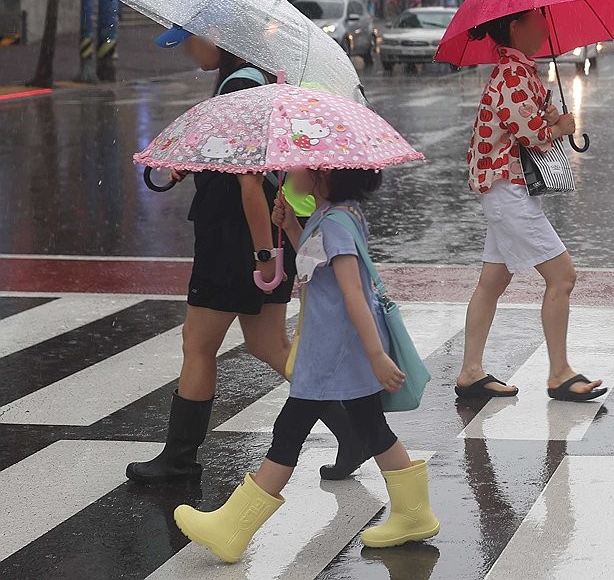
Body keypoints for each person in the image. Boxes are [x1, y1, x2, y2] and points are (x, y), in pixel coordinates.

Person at [126, 25, 368, 485]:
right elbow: (245, 163)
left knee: (197, 346)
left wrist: (261, 255)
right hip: (259, 241)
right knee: (268, 345)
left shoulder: (237, 89)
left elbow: (249, 182)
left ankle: (178, 461)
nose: (188, 50)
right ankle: (356, 431)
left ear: (218, 40)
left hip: (233, 243)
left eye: (191, 40)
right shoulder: (258, 80)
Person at [173, 168, 438, 563]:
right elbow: (317, 265)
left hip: (330, 355)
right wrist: (293, 227)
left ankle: (232, 528)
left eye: (297, 166)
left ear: (322, 175)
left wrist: (376, 356)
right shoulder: (335, 215)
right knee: (371, 427)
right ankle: (414, 514)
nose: (287, 171)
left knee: (289, 430)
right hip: (334, 351)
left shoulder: (335, 225)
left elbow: (353, 296)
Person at [455, 10, 606, 401]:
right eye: (537, 20)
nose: (545, 26)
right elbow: (535, 135)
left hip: (505, 190)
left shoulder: (521, 72)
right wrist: (561, 128)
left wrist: (551, 114)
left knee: (492, 282)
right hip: (507, 192)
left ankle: (471, 371)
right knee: (562, 276)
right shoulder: (511, 75)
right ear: (515, 27)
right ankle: (560, 373)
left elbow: (527, 122)